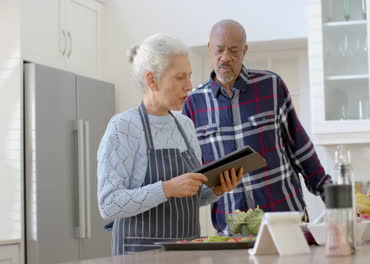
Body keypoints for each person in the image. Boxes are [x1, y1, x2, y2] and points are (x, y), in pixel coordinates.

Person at [97, 33, 243, 255]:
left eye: (190, 76)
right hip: (139, 255)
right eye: (180, 77)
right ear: (151, 80)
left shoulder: (185, 125)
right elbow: (109, 204)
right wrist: (166, 189)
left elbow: (191, 196)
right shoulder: (123, 127)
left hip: (185, 253)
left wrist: (216, 189)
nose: (189, 86)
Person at [182, 19, 332, 233]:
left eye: (234, 50)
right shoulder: (192, 103)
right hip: (233, 230)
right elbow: (191, 173)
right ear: (209, 49)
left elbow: (300, 147)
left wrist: (332, 195)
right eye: (219, 50)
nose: (225, 57)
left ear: (244, 50)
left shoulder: (270, 85)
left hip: (286, 220)